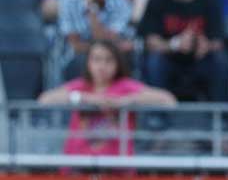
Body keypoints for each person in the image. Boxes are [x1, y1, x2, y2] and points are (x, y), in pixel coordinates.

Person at [39, 38, 176, 156]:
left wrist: (124, 101)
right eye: (96, 59)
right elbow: (44, 100)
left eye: (108, 60)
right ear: (88, 63)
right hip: (77, 166)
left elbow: (168, 100)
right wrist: (84, 98)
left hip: (116, 169)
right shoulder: (81, 86)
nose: (102, 66)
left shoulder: (125, 86)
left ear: (117, 64)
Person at [138, 0, 228, 102]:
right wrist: (175, 45)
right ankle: (156, 113)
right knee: (154, 61)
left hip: (200, 59)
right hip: (169, 59)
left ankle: (220, 117)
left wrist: (204, 45)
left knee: (219, 60)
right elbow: (150, 39)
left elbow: (218, 39)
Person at [56, 0, 134, 80]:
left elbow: (107, 41)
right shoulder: (68, 2)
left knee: (122, 59)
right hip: (77, 57)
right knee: (82, 61)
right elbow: (75, 45)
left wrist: (92, 10)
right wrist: (91, 8)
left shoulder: (121, 3)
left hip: (113, 56)